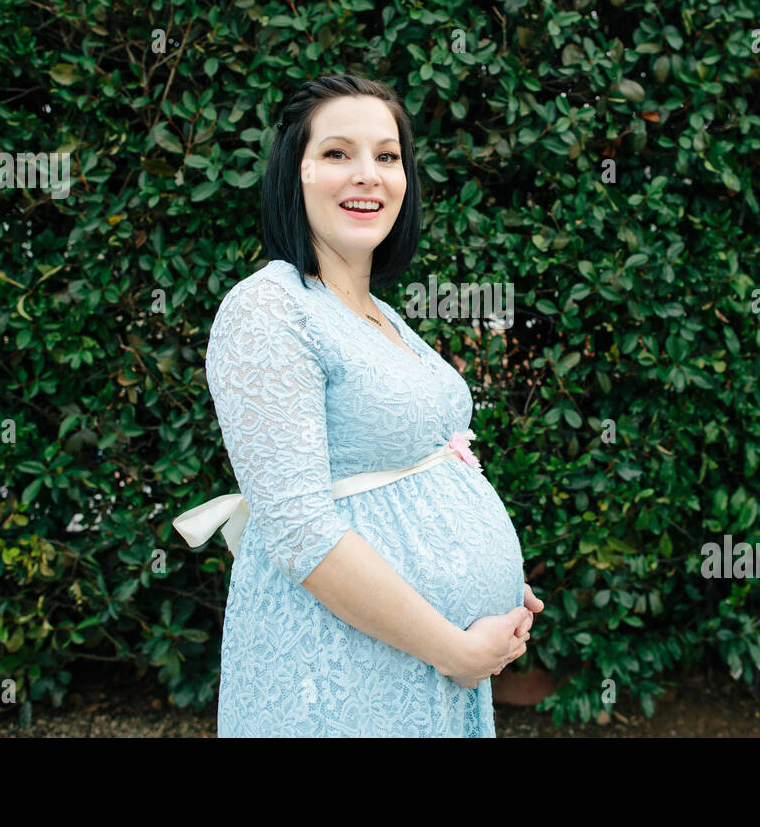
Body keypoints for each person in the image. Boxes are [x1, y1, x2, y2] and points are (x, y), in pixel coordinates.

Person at [193, 73, 544, 736]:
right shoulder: (270, 309)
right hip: (344, 674)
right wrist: (454, 646)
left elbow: (414, 477)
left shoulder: (379, 313)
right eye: (336, 154)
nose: (368, 175)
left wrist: (494, 583)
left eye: (387, 156)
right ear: (291, 174)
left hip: (424, 659)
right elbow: (300, 529)